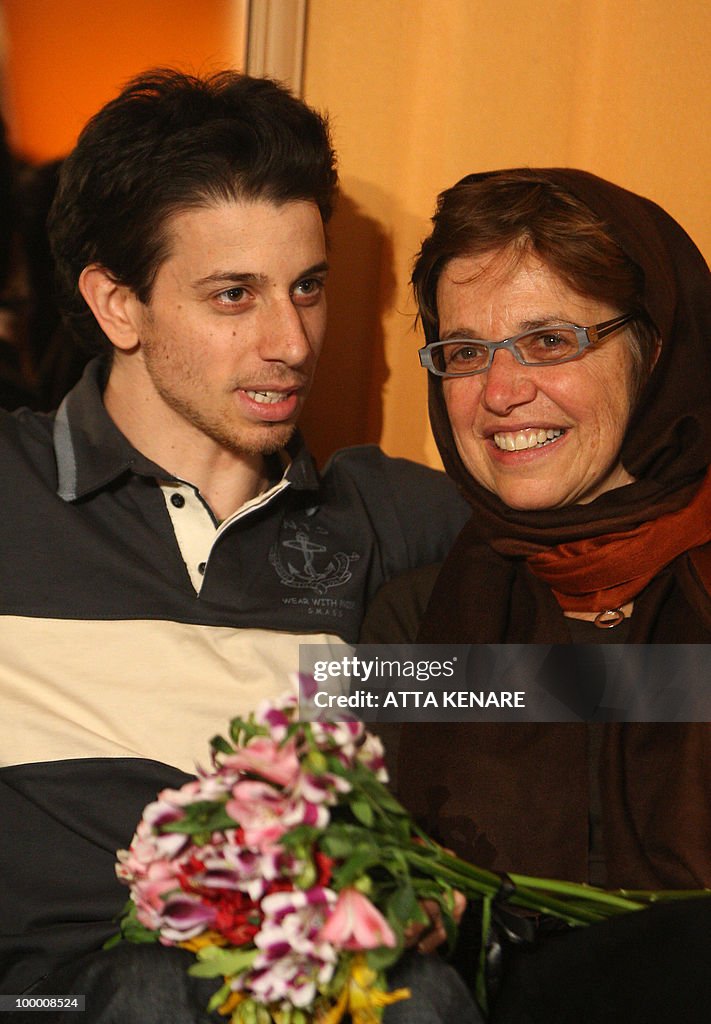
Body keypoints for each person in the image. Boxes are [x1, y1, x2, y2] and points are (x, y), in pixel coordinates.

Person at [0, 70, 477, 1021]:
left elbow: (616, 683)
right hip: (56, 999)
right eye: (233, 296)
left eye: (307, 288)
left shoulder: (384, 520)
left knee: (414, 992)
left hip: (314, 990)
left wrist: (460, 867)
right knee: (147, 989)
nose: (290, 341)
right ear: (117, 305)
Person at [362, 168, 711, 1022]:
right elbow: (360, 897)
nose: (499, 392)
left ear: (656, 349)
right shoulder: (410, 623)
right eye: (465, 352)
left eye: (549, 341)